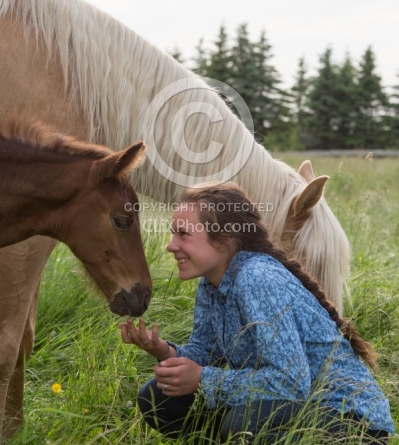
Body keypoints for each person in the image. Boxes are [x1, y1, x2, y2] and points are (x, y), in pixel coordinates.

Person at [120, 182, 395, 444]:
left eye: (183, 234)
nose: (171, 245)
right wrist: (165, 352)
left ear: (224, 240)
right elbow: (204, 353)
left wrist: (203, 378)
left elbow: (291, 384)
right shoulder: (211, 282)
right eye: (173, 232)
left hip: (350, 422)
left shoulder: (257, 278)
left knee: (242, 425)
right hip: (290, 409)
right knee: (157, 397)